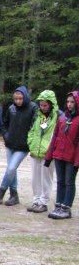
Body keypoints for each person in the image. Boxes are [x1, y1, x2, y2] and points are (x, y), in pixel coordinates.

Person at [0, 86, 38, 206]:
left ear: (25, 97)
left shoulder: (33, 108)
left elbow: (35, 126)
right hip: (10, 144)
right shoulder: (11, 108)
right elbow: (4, 123)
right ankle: (14, 195)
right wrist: (6, 135)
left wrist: (29, 141)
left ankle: (1, 192)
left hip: (23, 146)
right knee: (11, 169)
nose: (18, 101)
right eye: (16, 99)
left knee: (11, 168)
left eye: (20, 98)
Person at [44, 91, 79, 219]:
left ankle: (66, 208)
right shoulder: (62, 118)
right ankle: (58, 205)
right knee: (60, 181)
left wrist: (77, 161)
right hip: (59, 155)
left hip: (71, 158)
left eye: (72, 102)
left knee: (69, 182)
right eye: (68, 102)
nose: (69, 104)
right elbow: (55, 138)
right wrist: (49, 156)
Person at [26, 90, 59, 213]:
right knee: (35, 178)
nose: (43, 107)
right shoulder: (38, 116)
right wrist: (31, 144)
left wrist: (50, 150)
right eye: (41, 105)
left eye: (45, 105)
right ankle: (36, 200)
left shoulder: (58, 117)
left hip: (48, 154)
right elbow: (32, 131)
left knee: (46, 178)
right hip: (35, 151)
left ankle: (44, 202)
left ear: (51, 104)